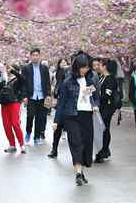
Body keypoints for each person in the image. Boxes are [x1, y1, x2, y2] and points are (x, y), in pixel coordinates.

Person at [53, 53, 98, 186]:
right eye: (82, 67)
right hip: (71, 116)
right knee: (76, 143)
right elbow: (61, 103)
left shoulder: (90, 80)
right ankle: (78, 173)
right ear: (76, 67)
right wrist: (56, 121)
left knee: (86, 144)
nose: (85, 70)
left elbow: (96, 97)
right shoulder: (68, 82)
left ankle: (82, 171)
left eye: (87, 67)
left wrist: (95, 105)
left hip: (87, 115)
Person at [0, 63, 27, 153]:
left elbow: (23, 79)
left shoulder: (18, 79)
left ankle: (22, 145)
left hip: (15, 103)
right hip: (4, 104)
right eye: (8, 69)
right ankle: (12, 145)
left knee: (15, 124)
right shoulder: (5, 80)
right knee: (7, 125)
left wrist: (13, 71)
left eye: (11, 69)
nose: (8, 70)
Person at [23, 48, 51, 145]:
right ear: (30, 56)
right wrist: (25, 96)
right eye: (33, 55)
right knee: (30, 116)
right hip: (31, 96)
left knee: (40, 117)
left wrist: (48, 95)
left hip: (42, 96)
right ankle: (28, 132)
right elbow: (23, 83)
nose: (35, 57)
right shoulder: (26, 68)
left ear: (40, 56)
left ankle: (36, 137)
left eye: (37, 55)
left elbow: (48, 83)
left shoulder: (44, 68)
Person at [95, 58, 119, 163]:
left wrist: (97, 98)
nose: (97, 67)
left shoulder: (110, 79)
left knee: (104, 129)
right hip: (100, 108)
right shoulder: (101, 77)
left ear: (104, 67)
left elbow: (106, 94)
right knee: (101, 129)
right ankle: (103, 150)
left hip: (107, 108)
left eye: (99, 65)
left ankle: (103, 151)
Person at [48, 58, 70, 158]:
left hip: (70, 107)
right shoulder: (58, 75)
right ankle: (54, 149)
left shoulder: (73, 76)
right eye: (62, 62)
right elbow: (56, 91)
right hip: (61, 106)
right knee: (57, 129)